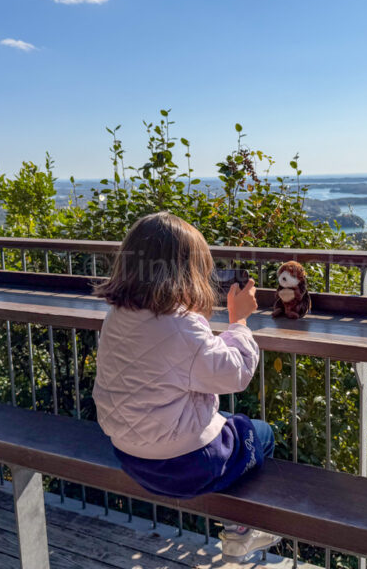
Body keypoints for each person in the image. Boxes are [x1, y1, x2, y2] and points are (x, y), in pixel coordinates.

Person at [92, 211, 281, 563]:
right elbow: (235, 373)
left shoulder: (117, 316)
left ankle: (238, 526)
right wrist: (239, 320)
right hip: (184, 466)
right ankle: (241, 529)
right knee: (261, 433)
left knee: (222, 421)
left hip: (129, 454)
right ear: (187, 271)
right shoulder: (181, 326)